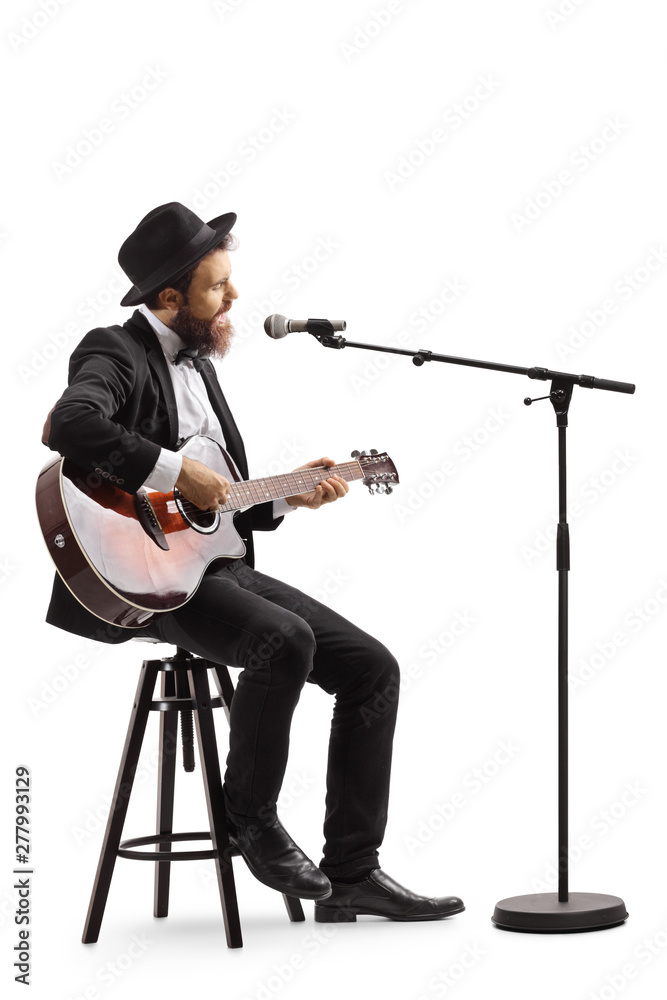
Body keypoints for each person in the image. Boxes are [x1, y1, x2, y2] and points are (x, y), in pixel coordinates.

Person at [42, 202, 464, 922]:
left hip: (208, 569)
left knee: (372, 668)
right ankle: (251, 821)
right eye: (216, 287)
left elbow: (212, 511)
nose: (232, 298)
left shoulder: (201, 369)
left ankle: (353, 873)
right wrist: (175, 470)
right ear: (169, 297)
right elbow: (70, 425)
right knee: (285, 641)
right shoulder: (113, 349)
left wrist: (289, 497)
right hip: (144, 581)